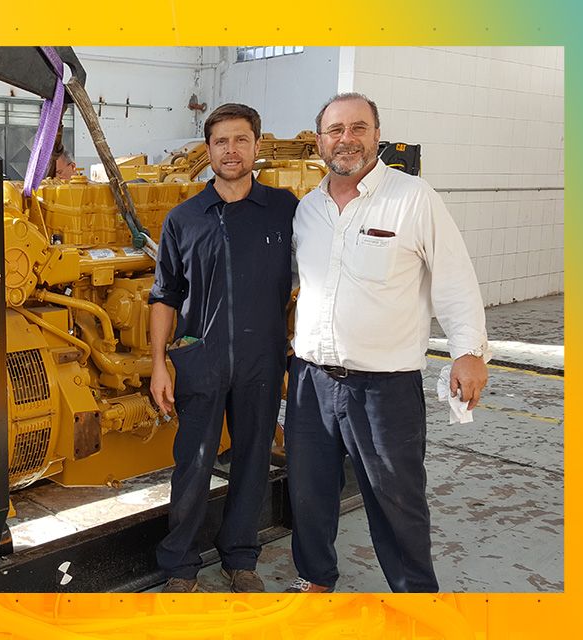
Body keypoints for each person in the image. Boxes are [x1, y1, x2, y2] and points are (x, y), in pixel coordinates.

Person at [285, 93, 490, 593]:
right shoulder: (307, 210)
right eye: (335, 130)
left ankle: (415, 596)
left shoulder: (413, 198)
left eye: (358, 128)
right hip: (311, 380)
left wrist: (468, 351)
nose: (346, 139)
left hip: (384, 387)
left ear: (377, 135)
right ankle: (315, 579)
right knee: (309, 492)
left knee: (395, 497)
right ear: (319, 141)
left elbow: (455, 278)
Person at [148, 103, 298, 593]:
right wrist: (159, 365)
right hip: (201, 360)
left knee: (253, 462)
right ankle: (180, 566)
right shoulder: (184, 218)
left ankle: (241, 559)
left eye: (240, 140)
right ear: (207, 150)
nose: (231, 150)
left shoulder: (285, 209)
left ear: (257, 145)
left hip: (262, 359)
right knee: (192, 465)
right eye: (220, 142)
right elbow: (164, 296)